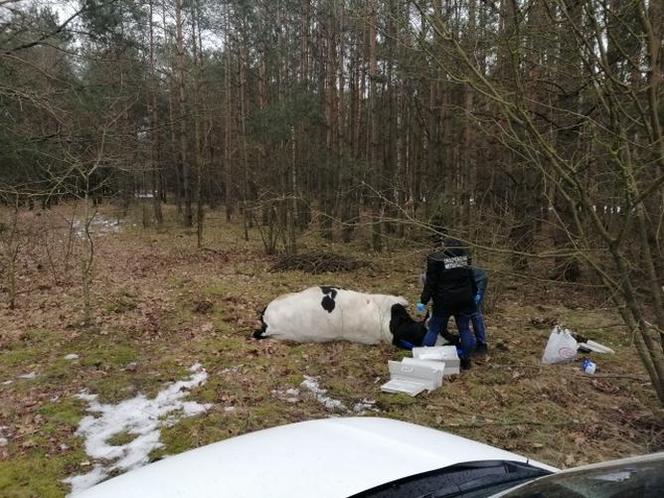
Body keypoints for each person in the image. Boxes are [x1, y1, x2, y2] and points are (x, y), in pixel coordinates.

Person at [417, 231, 476, 369]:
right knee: (464, 329)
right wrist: (475, 293)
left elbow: (431, 283)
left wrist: (423, 301)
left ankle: (423, 360)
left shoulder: (435, 259)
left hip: (444, 301)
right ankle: (465, 360)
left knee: (433, 329)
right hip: (464, 300)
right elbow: (470, 278)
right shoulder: (465, 257)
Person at [470, 267, 488, 355]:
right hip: (469, 280)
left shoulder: (450, 264)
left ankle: (482, 344)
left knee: (474, 312)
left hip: (478, 279)